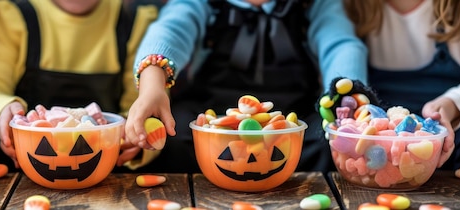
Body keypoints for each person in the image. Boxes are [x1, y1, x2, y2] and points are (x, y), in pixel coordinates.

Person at [121, 0, 369, 173]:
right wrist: (153, 84)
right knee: (175, 135)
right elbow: (170, 30)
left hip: (291, 119)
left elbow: (340, 44)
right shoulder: (204, 3)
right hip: (212, 117)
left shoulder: (314, 4)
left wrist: (347, 95)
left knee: (330, 139)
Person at [0, 0, 165, 171]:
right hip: (26, 156)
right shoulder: (16, 14)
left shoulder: (134, 19)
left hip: (105, 157)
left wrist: (136, 132)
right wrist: (0, 109)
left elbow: (144, 96)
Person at [344, 0, 460, 177]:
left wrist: (452, 103)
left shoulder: (454, 10)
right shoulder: (351, 9)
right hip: (378, 139)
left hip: (449, 125)